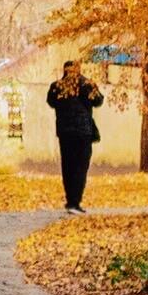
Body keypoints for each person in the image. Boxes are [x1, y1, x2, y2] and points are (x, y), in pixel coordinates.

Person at [46, 60, 104, 212]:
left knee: (68, 166)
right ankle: (75, 202)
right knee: (81, 166)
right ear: (79, 70)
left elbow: (51, 102)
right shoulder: (86, 84)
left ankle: (70, 201)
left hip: (65, 132)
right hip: (83, 132)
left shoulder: (57, 86)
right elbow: (98, 101)